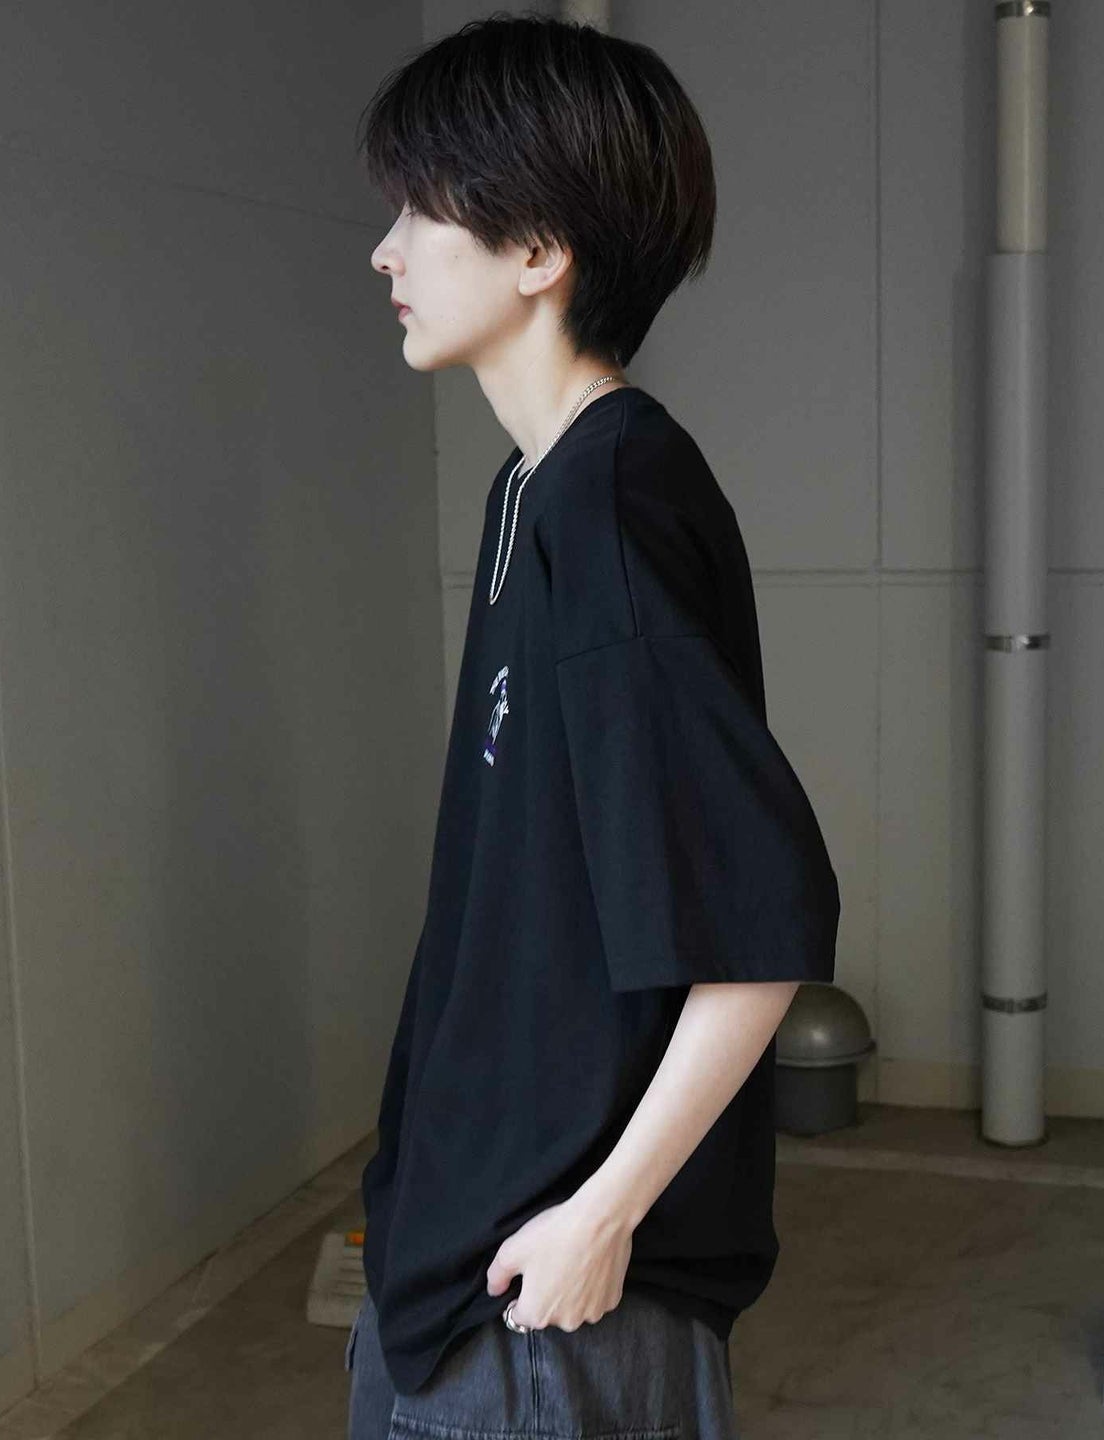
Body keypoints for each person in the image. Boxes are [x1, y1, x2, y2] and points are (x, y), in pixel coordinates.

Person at [347, 11, 841, 1438]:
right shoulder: (532, 487)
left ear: (536, 250)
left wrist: (600, 1216)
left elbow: (762, 920)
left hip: (547, 1301)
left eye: (419, 210)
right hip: (462, 1251)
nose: (384, 252)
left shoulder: (612, 497)